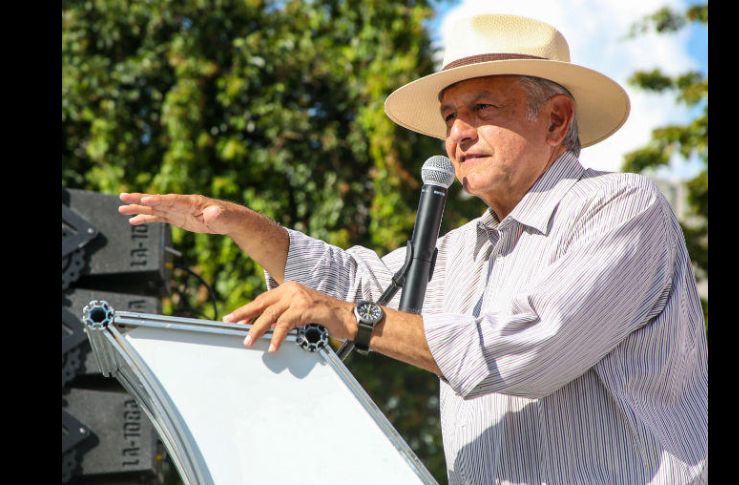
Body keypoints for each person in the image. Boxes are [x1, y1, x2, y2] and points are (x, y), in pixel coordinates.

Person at [118, 13, 707, 485]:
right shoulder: (463, 247)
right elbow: (356, 286)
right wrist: (244, 227)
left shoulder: (621, 207)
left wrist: (349, 316)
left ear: (555, 120)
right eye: (449, 117)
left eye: (482, 109)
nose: (457, 134)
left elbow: (530, 347)